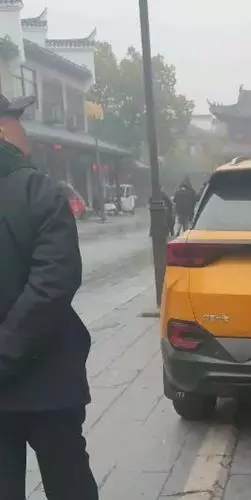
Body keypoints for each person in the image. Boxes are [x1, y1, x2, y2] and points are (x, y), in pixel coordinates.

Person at [0, 95, 98, 499]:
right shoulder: (38, 190)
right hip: (49, 381)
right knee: (69, 483)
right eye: (17, 120)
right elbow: (53, 284)